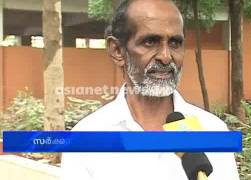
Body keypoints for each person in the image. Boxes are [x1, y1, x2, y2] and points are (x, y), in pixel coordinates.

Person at [61, 0, 239, 179]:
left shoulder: (213, 130)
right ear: (117, 51)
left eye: (175, 43)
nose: (165, 56)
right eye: (150, 42)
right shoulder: (85, 138)